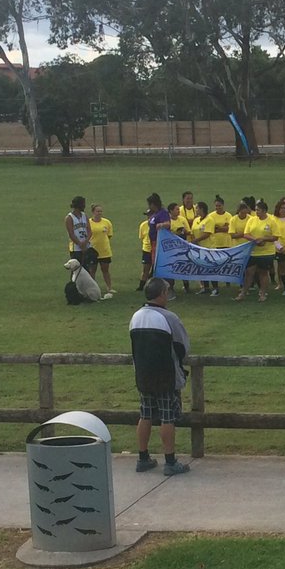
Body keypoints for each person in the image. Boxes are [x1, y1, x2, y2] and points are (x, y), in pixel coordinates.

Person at [129, 277, 192, 476]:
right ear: (162, 294)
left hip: (143, 374)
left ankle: (143, 457)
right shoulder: (169, 317)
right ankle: (170, 461)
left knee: (145, 414)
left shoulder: (136, 316)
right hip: (165, 374)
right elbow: (182, 347)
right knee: (167, 417)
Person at [238, 198, 277, 302]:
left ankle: (263, 294)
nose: (256, 212)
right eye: (255, 210)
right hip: (253, 251)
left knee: (263, 273)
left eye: (258, 210)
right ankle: (243, 293)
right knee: (249, 272)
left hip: (266, 252)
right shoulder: (252, 220)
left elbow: (276, 237)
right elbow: (246, 234)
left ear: (264, 211)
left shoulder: (272, 221)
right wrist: (256, 240)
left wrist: (264, 239)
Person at [65, 196, 97, 273]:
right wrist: (80, 244)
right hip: (76, 248)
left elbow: (89, 231)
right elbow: (71, 234)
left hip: (86, 246)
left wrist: (86, 242)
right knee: (76, 271)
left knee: (86, 270)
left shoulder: (84, 215)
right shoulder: (69, 218)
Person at [88, 204, 114, 295]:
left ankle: (109, 287)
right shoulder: (88, 223)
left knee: (105, 270)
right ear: (93, 212)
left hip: (104, 251)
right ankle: (92, 288)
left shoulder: (107, 222)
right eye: (97, 211)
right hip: (92, 251)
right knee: (92, 271)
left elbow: (109, 235)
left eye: (100, 211)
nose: (99, 213)